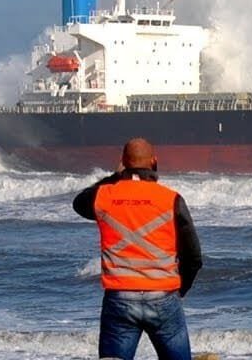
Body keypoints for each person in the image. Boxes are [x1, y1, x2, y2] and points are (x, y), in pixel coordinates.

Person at [73, 138, 203, 360]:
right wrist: (180, 290)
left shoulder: (104, 196)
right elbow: (193, 257)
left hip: (120, 298)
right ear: (154, 162)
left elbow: (79, 203)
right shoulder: (171, 199)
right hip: (164, 297)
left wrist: (115, 177)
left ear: (123, 162)